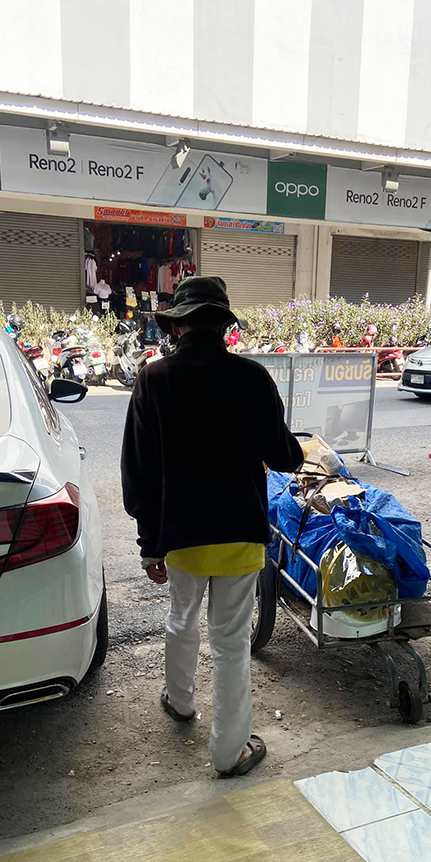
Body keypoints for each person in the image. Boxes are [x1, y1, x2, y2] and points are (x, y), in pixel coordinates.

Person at [121, 276, 303, 777]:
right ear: (226, 326)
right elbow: (282, 454)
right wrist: (297, 449)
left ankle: (179, 701)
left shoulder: (153, 379)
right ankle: (229, 753)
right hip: (240, 532)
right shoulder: (252, 377)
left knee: (183, 617)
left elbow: (138, 470)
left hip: (180, 535)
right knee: (229, 644)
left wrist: (148, 544)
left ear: (177, 324)